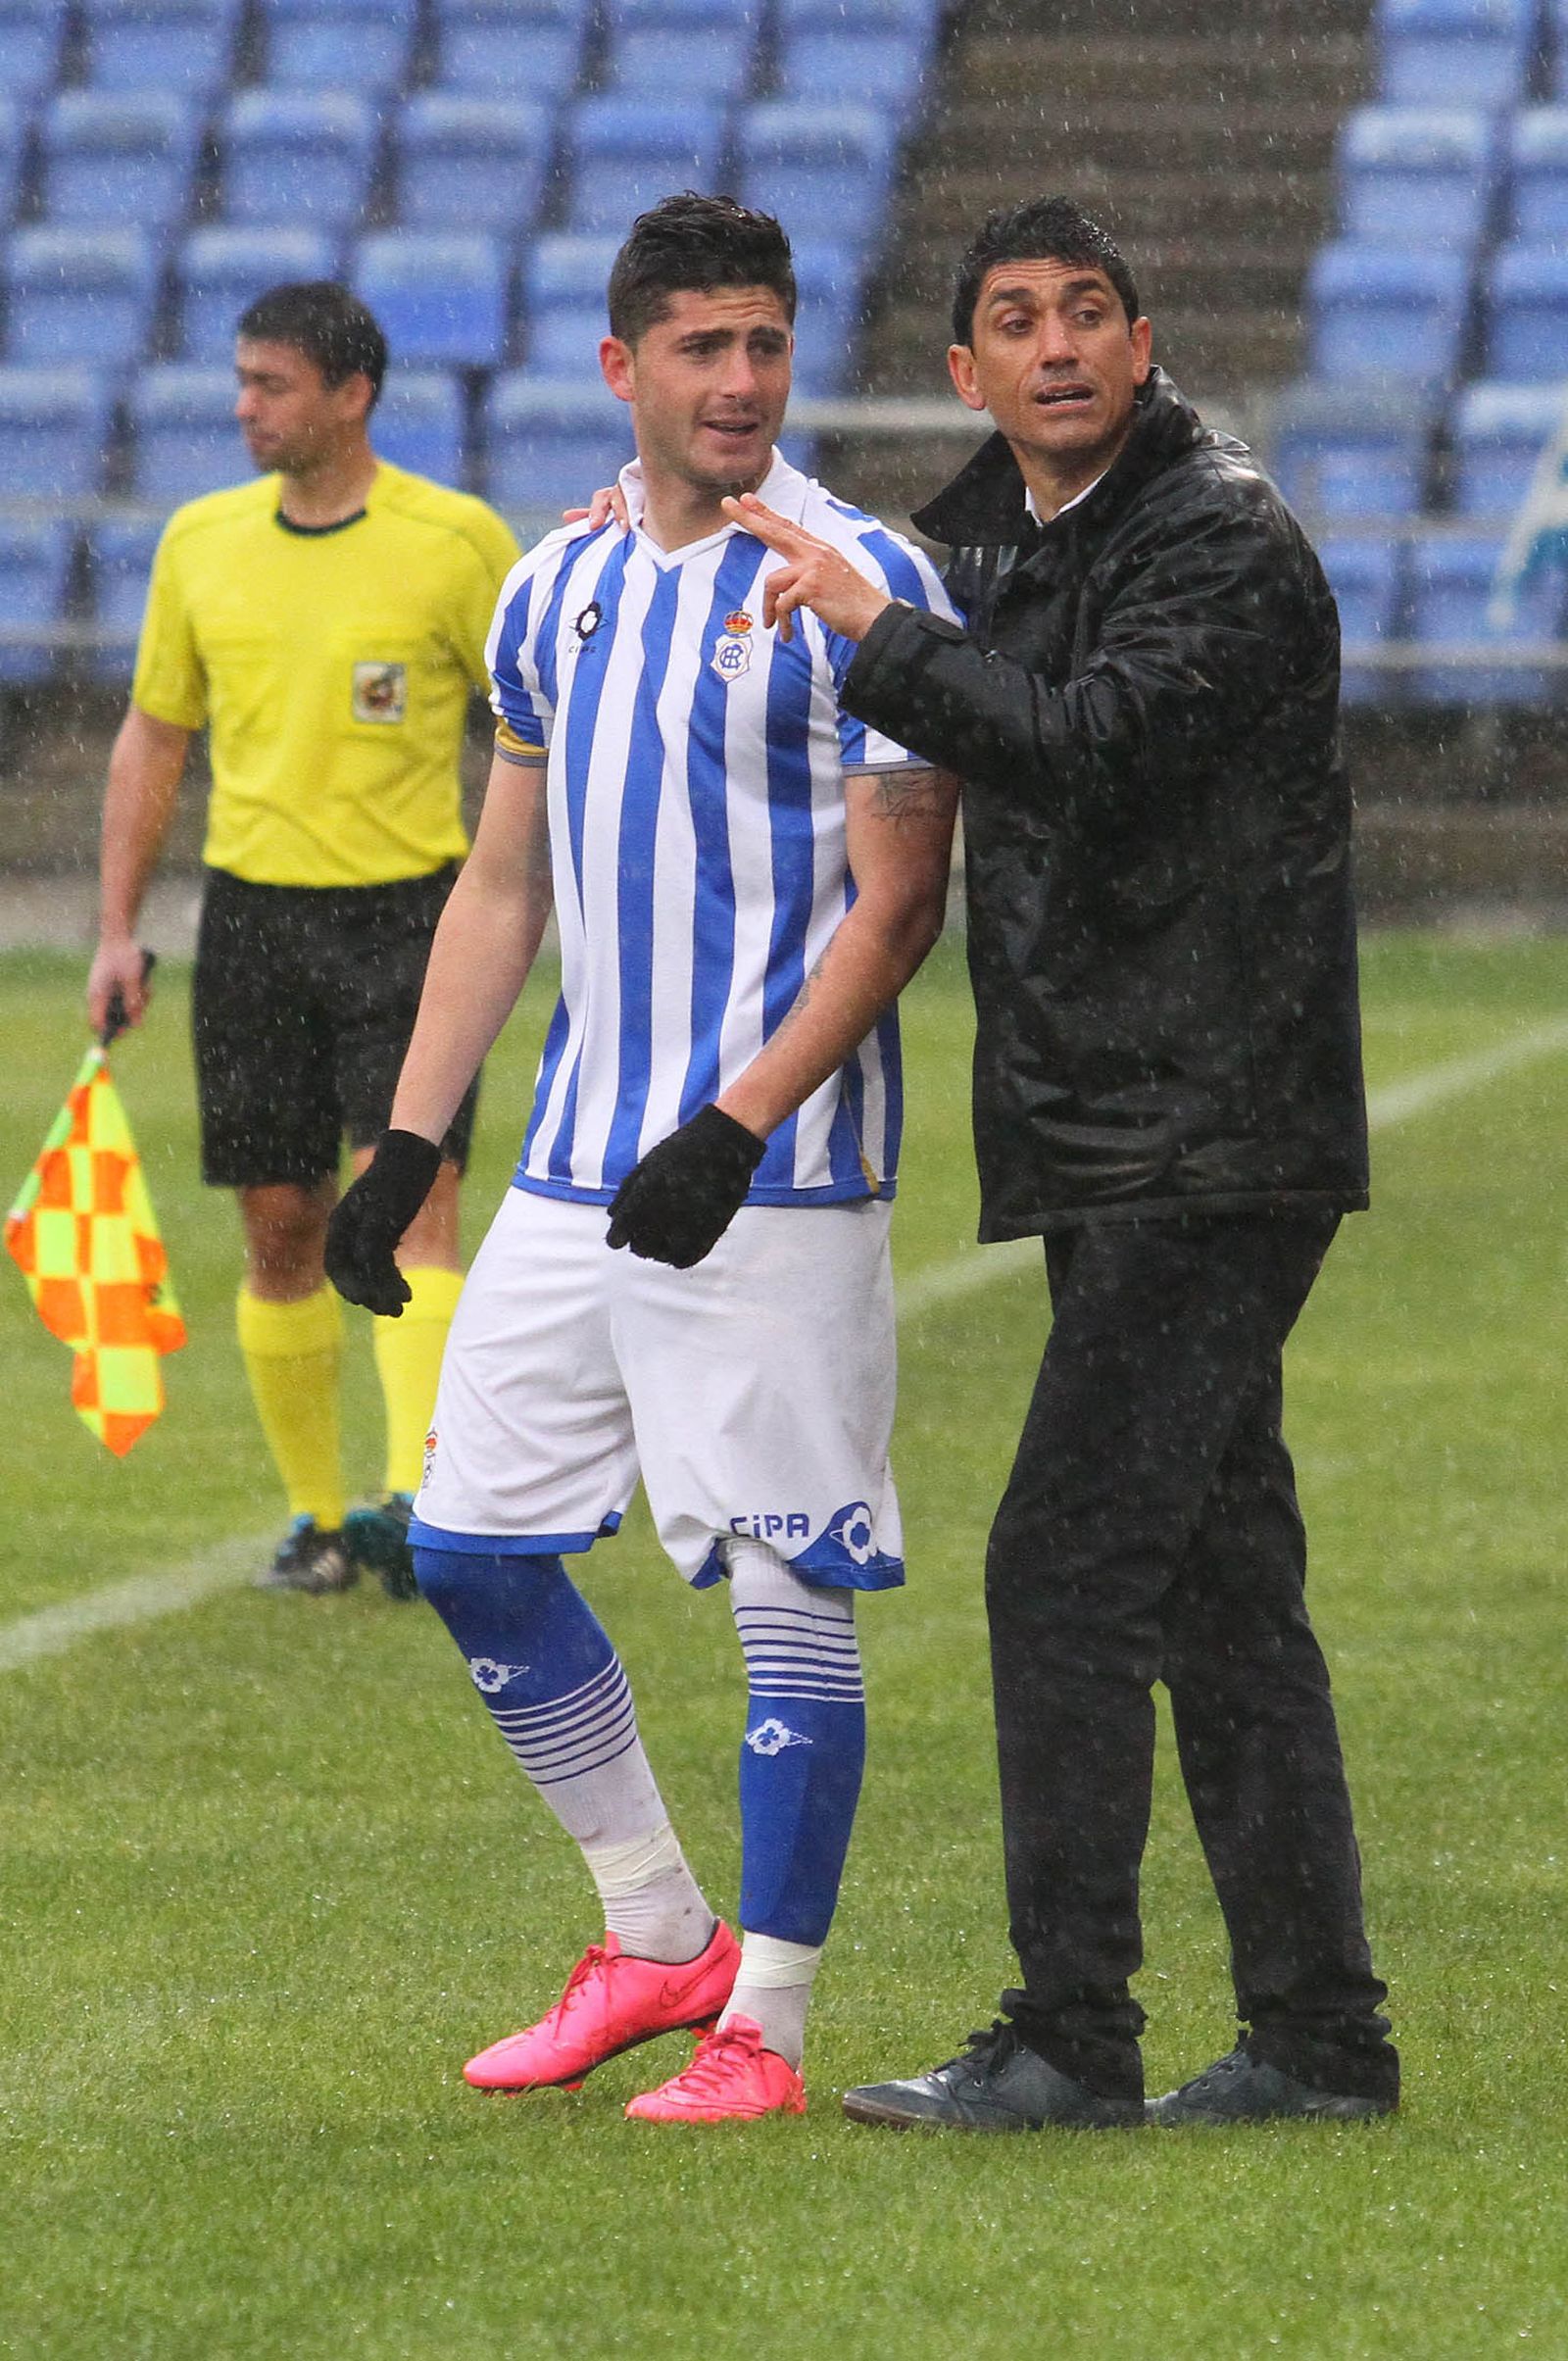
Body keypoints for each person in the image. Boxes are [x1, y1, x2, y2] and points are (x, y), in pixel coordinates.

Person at [729, 195, 1399, 2131]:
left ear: (1139, 336)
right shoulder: (988, 537)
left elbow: (1085, 744)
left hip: (1207, 1132)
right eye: (1012, 319)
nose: (1053, 347)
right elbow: (902, 618)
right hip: (1112, 1132)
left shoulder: (1215, 537)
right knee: (1215, 1577)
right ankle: (1318, 2036)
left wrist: (879, 638)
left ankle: (1069, 2033)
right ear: (964, 370)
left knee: (1063, 1556)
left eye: (1085, 312)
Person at [324, 195, 959, 2124]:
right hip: (576, 1165)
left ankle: (762, 2017)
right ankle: (650, 1926)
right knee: (471, 1546)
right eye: (700, 348)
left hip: (770, 1170)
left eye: (764, 344)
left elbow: (901, 896)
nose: (741, 381)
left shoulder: (863, 577)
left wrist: (734, 1118)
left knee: (785, 1575)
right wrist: (414, 1131)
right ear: (622, 369)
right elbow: (500, 883)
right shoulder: (552, 587)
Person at [86, 282, 520, 1599]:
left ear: (352, 396)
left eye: (272, 384)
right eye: (243, 381)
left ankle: (416, 1505)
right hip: (255, 923)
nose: (244, 407)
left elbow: (533, 726)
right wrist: (116, 927)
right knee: (281, 1225)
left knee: (414, 1204)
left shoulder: (454, 544)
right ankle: (319, 1520)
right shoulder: (201, 543)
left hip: (414, 920)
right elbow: (157, 733)